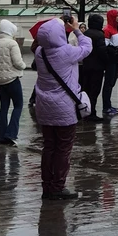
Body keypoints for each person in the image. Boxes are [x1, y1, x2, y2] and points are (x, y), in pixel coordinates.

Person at [34, 15, 93, 199]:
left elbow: (40, 42)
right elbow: (87, 46)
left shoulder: (40, 52)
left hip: (44, 107)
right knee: (63, 148)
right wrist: (75, 28)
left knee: (49, 147)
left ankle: (47, 187)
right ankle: (58, 187)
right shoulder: (67, 51)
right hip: (64, 109)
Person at [0, 20, 25, 146]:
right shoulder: (12, 43)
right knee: (18, 105)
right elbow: (18, 63)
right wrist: (24, 65)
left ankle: (1, 136)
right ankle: (10, 134)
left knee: (4, 107)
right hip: (12, 79)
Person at [79, 13, 108, 121]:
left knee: (86, 89)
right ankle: (91, 113)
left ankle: (84, 111)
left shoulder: (85, 34)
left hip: (86, 65)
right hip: (97, 67)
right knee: (94, 91)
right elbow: (102, 51)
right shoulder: (99, 35)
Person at [102, 9, 118, 116]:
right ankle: (106, 106)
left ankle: (109, 105)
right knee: (108, 83)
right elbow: (106, 46)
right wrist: (114, 51)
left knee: (112, 83)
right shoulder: (107, 30)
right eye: (116, 16)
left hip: (116, 59)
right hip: (111, 60)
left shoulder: (116, 29)